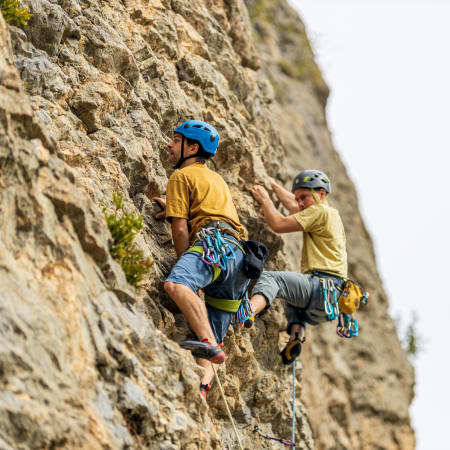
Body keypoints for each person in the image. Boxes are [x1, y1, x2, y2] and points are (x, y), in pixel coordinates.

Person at [153, 120, 249, 399]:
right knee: (210, 349)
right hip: (239, 261)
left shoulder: (181, 177)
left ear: (192, 147)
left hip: (212, 246)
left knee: (177, 286)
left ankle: (209, 343)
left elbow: (181, 229)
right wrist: (173, 208)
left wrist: (187, 270)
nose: (169, 145)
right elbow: (204, 210)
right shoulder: (216, 179)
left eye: (175, 140)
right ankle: (203, 388)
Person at [247, 170, 348, 364]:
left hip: (320, 286)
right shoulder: (330, 215)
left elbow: (278, 224)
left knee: (271, 279)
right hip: (329, 303)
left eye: (304, 197)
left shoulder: (319, 211)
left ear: (321, 193)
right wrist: (275, 186)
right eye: (298, 198)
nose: (300, 203)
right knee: (294, 301)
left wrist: (265, 199)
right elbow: (295, 207)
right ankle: (296, 337)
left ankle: (248, 311)